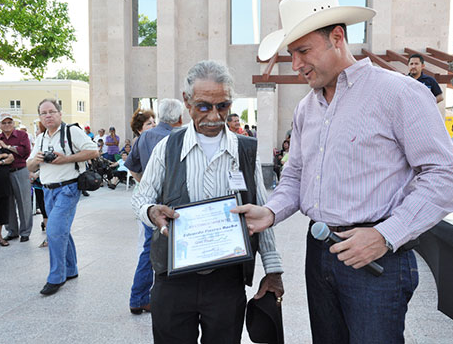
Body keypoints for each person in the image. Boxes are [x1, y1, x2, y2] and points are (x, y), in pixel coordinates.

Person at [234, 0, 453, 343]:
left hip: (378, 261)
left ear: (337, 37)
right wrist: (270, 212)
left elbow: (446, 175)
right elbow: (296, 175)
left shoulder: (399, 93)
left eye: (303, 51)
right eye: (291, 54)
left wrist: (386, 235)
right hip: (319, 253)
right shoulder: (305, 109)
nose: (295, 65)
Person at [131, 61, 284, 343]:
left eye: (223, 106)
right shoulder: (167, 147)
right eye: (204, 106)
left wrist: (273, 270)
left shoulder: (246, 150)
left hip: (226, 280)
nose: (214, 116)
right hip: (173, 278)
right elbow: (141, 196)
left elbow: (263, 212)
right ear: (187, 102)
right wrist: (151, 212)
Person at [27, 99, 98, 295]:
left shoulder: (71, 131)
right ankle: (71, 268)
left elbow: (93, 150)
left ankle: (56, 277)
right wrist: (37, 160)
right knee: (61, 229)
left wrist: (66, 159)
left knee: (54, 230)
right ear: (40, 117)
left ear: (60, 113)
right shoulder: (41, 138)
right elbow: (29, 166)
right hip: (48, 190)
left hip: (68, 188)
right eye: (43, 113)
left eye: (51, 111)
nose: (48, 115)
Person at [125, 98, 184, 315]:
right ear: (179, 117)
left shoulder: (145, 137)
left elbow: (131, 165)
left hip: (148, 203)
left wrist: (144, 184)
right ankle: (145, 297)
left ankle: (139, 297)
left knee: (149, 250)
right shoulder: (179, 137)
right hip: (172, 203)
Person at [0, 113, 33, 242]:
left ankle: (25, 232)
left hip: (20, 171)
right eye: (4, 123)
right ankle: (12, 231)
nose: (7, 125)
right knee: (8, 203)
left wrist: (7, 147)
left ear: (14, 123)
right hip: (4, 173)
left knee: (24, 202)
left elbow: (25, 152)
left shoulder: (22, 135)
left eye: (9, 122)